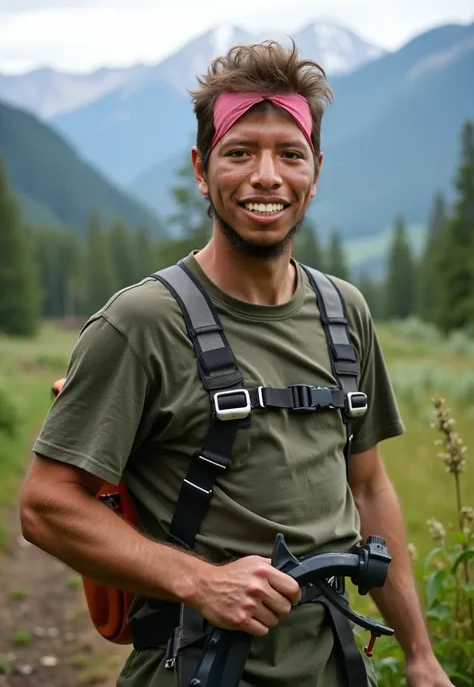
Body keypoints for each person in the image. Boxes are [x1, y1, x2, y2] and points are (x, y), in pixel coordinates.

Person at [19, 40, 453, 687]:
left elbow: (368, 487)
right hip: (196, 668)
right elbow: (45, 504)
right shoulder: (140, 323)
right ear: (202, 168)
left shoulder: (345, 313)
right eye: (241, 152)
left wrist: (419, 655)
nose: (267, 176)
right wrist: (200, 581)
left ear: (316, 168)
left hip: (336, 668)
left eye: (289, 154)